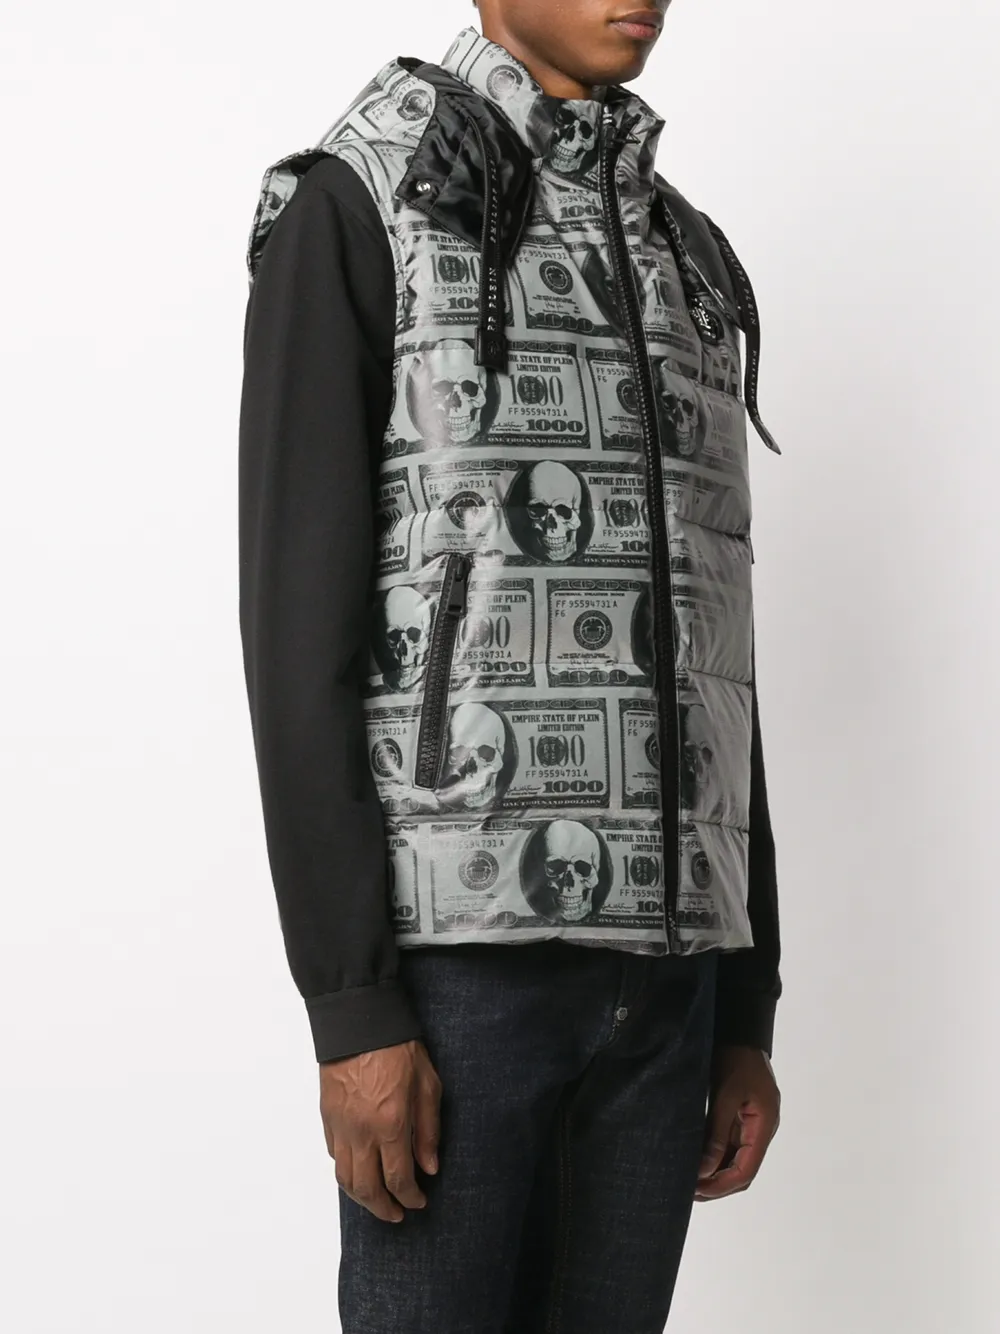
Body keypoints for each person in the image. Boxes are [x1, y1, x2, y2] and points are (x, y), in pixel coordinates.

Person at [238, 2, 783, 1330]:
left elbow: (715, 642)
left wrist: (744, 1000)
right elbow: (295, 632)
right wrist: (352, 1003)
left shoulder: (683, 251)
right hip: (456, 976)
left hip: (670, 980)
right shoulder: (363, 201)